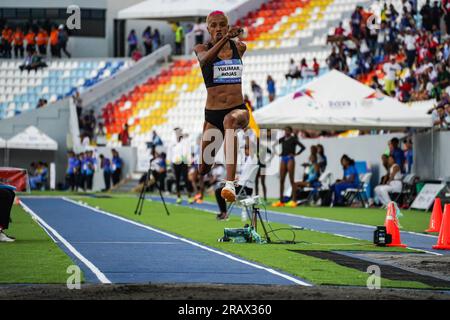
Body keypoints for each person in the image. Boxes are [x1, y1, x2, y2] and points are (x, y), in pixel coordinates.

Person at [194, 10, 249, 203]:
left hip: (238, 109)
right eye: (214, 25)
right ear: (208, 29)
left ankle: (230, 185)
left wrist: (228, 39)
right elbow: (204, 61)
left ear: (227, 25)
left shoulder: (239, 48)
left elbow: (236, 44)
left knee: (230, 120)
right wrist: (225, 37)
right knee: (203, 168)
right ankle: (215, 177)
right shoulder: (201, 48)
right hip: (212, 115)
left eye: (222, 25)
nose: (218, 28)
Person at [215, 142, 258, 220]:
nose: (244, 151)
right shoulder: (247, 159)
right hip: (243, 186)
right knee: (221, 188)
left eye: (246, 149)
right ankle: (224, 213)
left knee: (218, 191)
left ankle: (224, 213)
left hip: (244, 189)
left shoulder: (253, 158)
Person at [272, 126, 306, 207]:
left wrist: (295, 154)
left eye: (288, 130)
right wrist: (277, 153)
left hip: (290, 159)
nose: (286, 132)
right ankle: (281, 201)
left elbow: (303, 147)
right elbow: (273, 145)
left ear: (291, 132)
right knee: (281, 180)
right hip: (283, 158)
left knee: (291, 180)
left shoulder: (293, 139)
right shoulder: (283, 139)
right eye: (285, 130)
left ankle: (294, 201)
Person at [168, 128, 192, 204]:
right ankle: (178, 197)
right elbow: (169, 154)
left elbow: (188, 152)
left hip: (183, 162)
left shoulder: (185, 141)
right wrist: (168, 165)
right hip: (175, 162)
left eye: (179, 132)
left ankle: (189, 196)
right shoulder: (172, 143)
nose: (178, 133)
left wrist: (189, 162)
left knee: (186, 179)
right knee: (177, 180)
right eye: (177, 132)